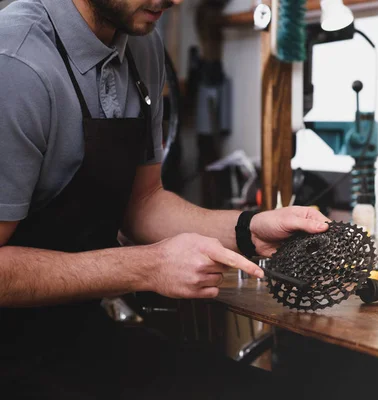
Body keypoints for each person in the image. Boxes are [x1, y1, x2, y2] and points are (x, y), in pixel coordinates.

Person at [0, 0, 329, 398]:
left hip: (76, 335)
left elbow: (144, 202)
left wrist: (249, 229)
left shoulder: (142, 44)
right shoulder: (16, 63)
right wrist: (148, 266)